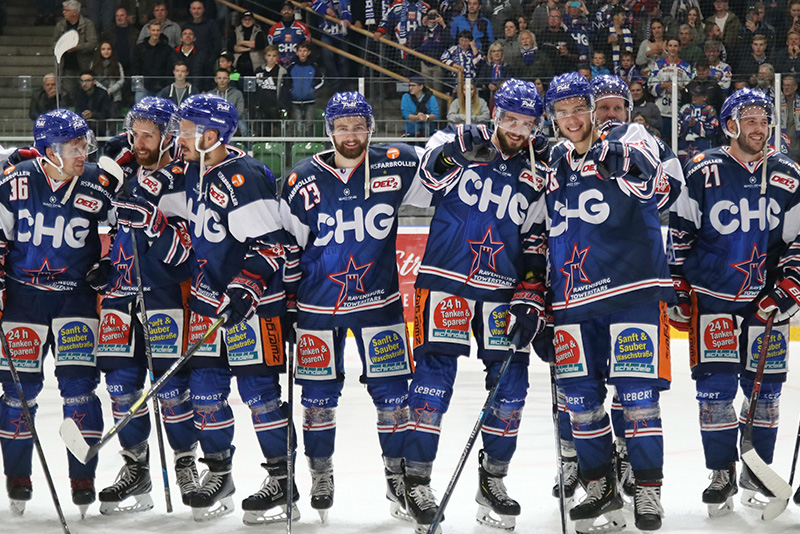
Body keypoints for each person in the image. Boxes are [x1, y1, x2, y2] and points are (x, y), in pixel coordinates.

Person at [402, 78, 548, 533]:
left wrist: (530, 293)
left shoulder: (540, 165)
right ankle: (417, 481)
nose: (518, 130)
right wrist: (457, 152)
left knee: (511, 389)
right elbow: (424, 182)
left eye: (528, 123)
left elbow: (536, 237)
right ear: (494, 113)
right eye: (511, 120)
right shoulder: (455, 139)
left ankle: (493, 480)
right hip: (445, 280)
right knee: (432, 382)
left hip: (502, 290)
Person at [280, 90, 432, 523]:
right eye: (343, 126)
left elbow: (444, 181)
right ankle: (320, 472)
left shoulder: (396, 162)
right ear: (329, 130)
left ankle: (398, 476)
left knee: (394, 398)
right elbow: (286, 246)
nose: (351, 134)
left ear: (370, 127)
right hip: (317, 306)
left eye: (359, 125)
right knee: (318, 398)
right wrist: (288, 302)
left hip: (378, 305)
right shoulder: (301, 179)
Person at [544, 71, 674, 532]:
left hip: (630, 292)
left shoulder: (634, 139)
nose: (572, 118)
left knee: (638, 400)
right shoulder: (552, 158)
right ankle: (598, 484)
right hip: (573, 302)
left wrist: (611, 153)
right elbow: (541, 229)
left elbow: (661, 187)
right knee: (580, 403)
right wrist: (535, 297)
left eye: (579, 108)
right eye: (561, 112)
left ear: (595, 109)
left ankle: (647, 491)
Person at [668, 87, 800, 518]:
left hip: (765, 301)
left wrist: (790, 286)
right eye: (750, 120)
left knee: (766, 392)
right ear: (730, 124)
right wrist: (679, 286)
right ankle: (721, 471)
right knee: (715, 391)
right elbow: (681, 232)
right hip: (712, 297)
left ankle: (756, 469)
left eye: (764, 120)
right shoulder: (703, 169)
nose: (759, 128)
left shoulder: (787, 174)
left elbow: (797, 240)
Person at [172, 93, 295, 524]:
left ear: (210, 135)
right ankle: (219, 472)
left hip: (253, 308)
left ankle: (283, 478)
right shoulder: (193, 170)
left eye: (185, 131)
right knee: (205, 393)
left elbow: (271, 245)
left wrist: (245, 288)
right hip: (208, 304)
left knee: (260, 397)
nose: (178, 137)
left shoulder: (244, 176)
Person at [0, 109, 118, 517]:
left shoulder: (97, 185)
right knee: (18, 392)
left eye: (84, 145)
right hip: (23, 300)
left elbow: (121, 233)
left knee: (79, 390)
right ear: (49, 151)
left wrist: (111, 263)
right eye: (73, 147)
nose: (82, 152)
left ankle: (81, 475)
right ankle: (18, 476)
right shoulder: (15, 181)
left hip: (75, 301)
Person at [95, 97, 199, 514]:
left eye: (148, 135)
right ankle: (135, 467)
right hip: (121, 292)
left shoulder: (186, 177)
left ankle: (185, 464)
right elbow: (112, 229)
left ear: (168, 136)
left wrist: (154, 223)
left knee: (171, 387)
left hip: (166, 291)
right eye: (134, 132)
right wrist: (104, 263)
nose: (138, 141)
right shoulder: (121, 171)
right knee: (120, 386)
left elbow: (186, 253)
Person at [648, 37, 692, 142]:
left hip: (678, 110)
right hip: (662, 110)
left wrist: (680, 88)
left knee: (676, 141)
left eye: (675, 46)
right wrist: (663, 85)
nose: (673, 49)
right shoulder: (658, 65)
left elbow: (690, 89)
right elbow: (650, 85)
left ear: (679, 48)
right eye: (670, 46)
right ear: (666, 47)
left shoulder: (686, 66)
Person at [54, 0, 99, 98]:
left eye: (66, 10)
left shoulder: (88, 24)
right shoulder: (60, 25)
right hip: (66, 67)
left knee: (85, 93)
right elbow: (54, 43)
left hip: (83, 66)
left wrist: (78, 47)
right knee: (68, 93)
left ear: (74, 12)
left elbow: (93, 43)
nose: (63, 12)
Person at [286, 42, 324, 137]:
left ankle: (309, 144)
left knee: (309, 124)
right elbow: (287, 82)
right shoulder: (291, 67)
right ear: (297, 53)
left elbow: (320, 80)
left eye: (305, 51)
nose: (302, 53)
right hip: (295, 101)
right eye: (300, 51)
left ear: (309, 52)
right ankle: (299, 145)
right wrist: (292, 90)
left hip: (310, 100)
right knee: (298, 125)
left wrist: (312, 89)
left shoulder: (314, 67)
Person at [131, 21, 174, 103]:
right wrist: (137, 87)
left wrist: (166, 86)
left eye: (157, 30)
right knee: (140, 112)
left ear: (161, 31)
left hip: (161, 87)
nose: (155, 33)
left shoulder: (167, 49)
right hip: (143, 87)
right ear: (148, 31)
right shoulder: (139, 48)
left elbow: (169, 69)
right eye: (153, 30)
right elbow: (135, 68)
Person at [677, 84, 720, 160]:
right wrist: (686, 124)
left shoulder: (709, 109)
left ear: (704, 97)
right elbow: (676, 127)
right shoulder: (685, 108)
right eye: (693, 95)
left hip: (703, 144)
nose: (694, 98)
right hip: (684, 144)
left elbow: (713, 129)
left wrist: (696, 125)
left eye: (697, 96)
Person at [253, 45, 288, 137]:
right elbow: (255, 88)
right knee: (261, 131)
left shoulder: (282, 72)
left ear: (277, 57)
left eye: (274, 56)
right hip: (261, 106)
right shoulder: (259, 70)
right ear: (265, 57)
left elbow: (284, 90)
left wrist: (281, 105)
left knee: (276, 132)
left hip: (275, 107)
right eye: (269, 55)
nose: (271, 58)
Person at [268, 2, 311, 68]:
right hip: (278, 67)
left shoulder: (303, 28)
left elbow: (308, 46)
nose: (286, 12)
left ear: (293, 11)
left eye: (289, 10)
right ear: (281, 12)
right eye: (284, 10)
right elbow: (270, 49)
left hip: (298, 66)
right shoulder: (273, 29)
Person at [538, 8, 580, 75]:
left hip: (563, 74)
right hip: (544, 74)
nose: (553, 19)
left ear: (561, 20)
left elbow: (577, 57)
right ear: (548, 19)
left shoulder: (567, 37)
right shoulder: (540, 36)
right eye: (551, 17)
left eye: (556, 17)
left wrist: (568, 54)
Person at [74, 71, 115, 137]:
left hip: (99, 128)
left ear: (94, 82)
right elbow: (77, 111)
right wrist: (83, 114)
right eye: (82, 81)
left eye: (87, 81)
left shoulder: (102, 94)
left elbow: (107, 113)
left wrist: (92, 114)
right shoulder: (78, 94)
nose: (84, 84)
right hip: (83, 128)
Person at [183, 1, 223, 66]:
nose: (196, 11)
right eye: (194, 9)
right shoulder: (186, 26)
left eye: (199, 8)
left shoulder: (212, 25)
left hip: (208, 62)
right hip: (190, 62)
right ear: (190, 10)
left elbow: (217, 45)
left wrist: (211, 60)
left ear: (203, 10)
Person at [208, 69, 247, 136]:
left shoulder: (237, 93)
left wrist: (229, 119)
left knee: (243, 128)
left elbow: (240, 111)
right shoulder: (210, 94)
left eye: (225, 78)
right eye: (219, 78)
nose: (222, 81)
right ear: (215, 79)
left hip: (234, 120)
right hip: (215, 120)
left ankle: (245, 146)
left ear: (229, 79)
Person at [100, 7, 138, 75]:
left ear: (127, 17)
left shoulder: (135, 32)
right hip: (113, 68)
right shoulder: (108, 32)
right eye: (117, 16)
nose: (119, 18)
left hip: (131, 68)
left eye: (122, 15)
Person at [229, 11, 267, 77]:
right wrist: (250, 48)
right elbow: (231, 47)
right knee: (235, 81)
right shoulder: (236, 31)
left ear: (253, 20)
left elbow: (259, 45)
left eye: (249, 19)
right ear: (241, 20)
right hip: (237, 65)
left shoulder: (259, 31)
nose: (247, 21)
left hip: (255, 65)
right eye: (245, 19)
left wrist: (240, 43)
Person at [172, 28, 210, 92]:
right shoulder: (174, 54)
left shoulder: (202, 54)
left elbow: (208, 73)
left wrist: (205, 90)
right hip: (177, 90)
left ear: (194, 38)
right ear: (181, 39)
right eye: (185, 34)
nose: (188, 36)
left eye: (190, 34)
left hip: (198, 91)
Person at [91, 42, 125, 110]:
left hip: (115, 96)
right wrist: (105, 91)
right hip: (98, 95)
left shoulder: (117, 64)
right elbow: (92, 79)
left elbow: (121, 80)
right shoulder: (94, 64)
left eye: (109, 49)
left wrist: (111, 90)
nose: (106, 51)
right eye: (103, 49)